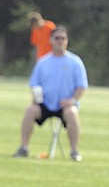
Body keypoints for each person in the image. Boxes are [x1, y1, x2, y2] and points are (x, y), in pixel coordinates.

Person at [13, 26, 88, 161]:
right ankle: (24, 147)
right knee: (30, 110)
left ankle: (74, 151)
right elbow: (34, 84)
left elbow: (81, 87)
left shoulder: (75, 62)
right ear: (51, 40)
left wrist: (72, 100)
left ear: (67, 41)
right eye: (57, 38)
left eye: (63, 38)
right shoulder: (43, 62)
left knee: (72, 113)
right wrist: (36, 98)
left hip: (65, 105)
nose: (60, 41)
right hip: (46, 104)